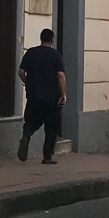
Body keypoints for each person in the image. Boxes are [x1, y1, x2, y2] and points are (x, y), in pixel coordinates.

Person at [17, 28, 66, 165]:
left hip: (34, 96)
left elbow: (21, 71)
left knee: (31, 122)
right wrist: (63, 94)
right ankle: (47, 157)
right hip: (51, 97)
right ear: (52, 40)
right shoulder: (55, 55)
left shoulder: (31, 53)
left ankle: (26, 137)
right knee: (51, 128)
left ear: (41, 38)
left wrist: (28, 82)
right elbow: (60, 75)